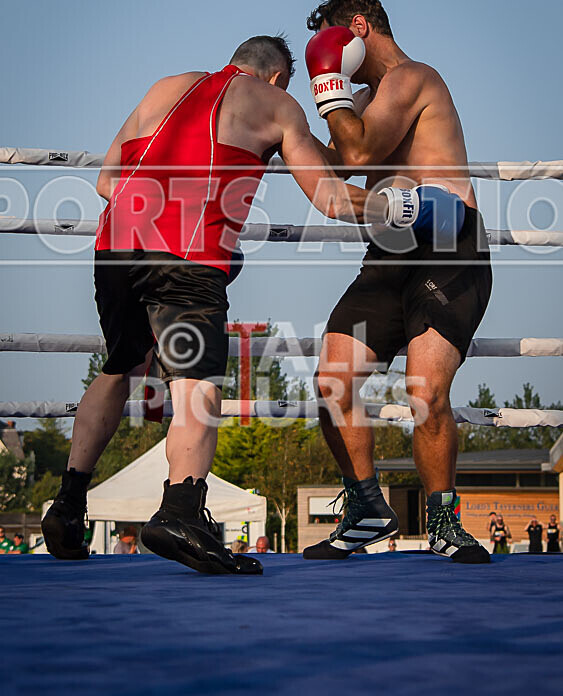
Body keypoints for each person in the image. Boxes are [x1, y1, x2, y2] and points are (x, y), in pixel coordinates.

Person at [41, 34, 397, 576]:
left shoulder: (166, 87)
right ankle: (182, 510)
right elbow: (328, 196)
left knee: (121, 367)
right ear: (277, 77)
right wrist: (404, 208)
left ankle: (68, 506)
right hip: (185, 257)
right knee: (195, 387)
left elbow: (105, 181)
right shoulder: (277, 105)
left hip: (115, 250)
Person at [301, 0, 492, 565]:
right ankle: (367, 509)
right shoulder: (361, 103)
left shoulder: (411, 78)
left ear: (357, 28)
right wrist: (282, 127)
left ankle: (443, 520)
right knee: (332, 381)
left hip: (447, 248)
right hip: (389, 255)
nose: (328, 58)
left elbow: (357, 159)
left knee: (425, 390)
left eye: (332, 40)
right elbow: (333, 175)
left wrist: (326, 89)